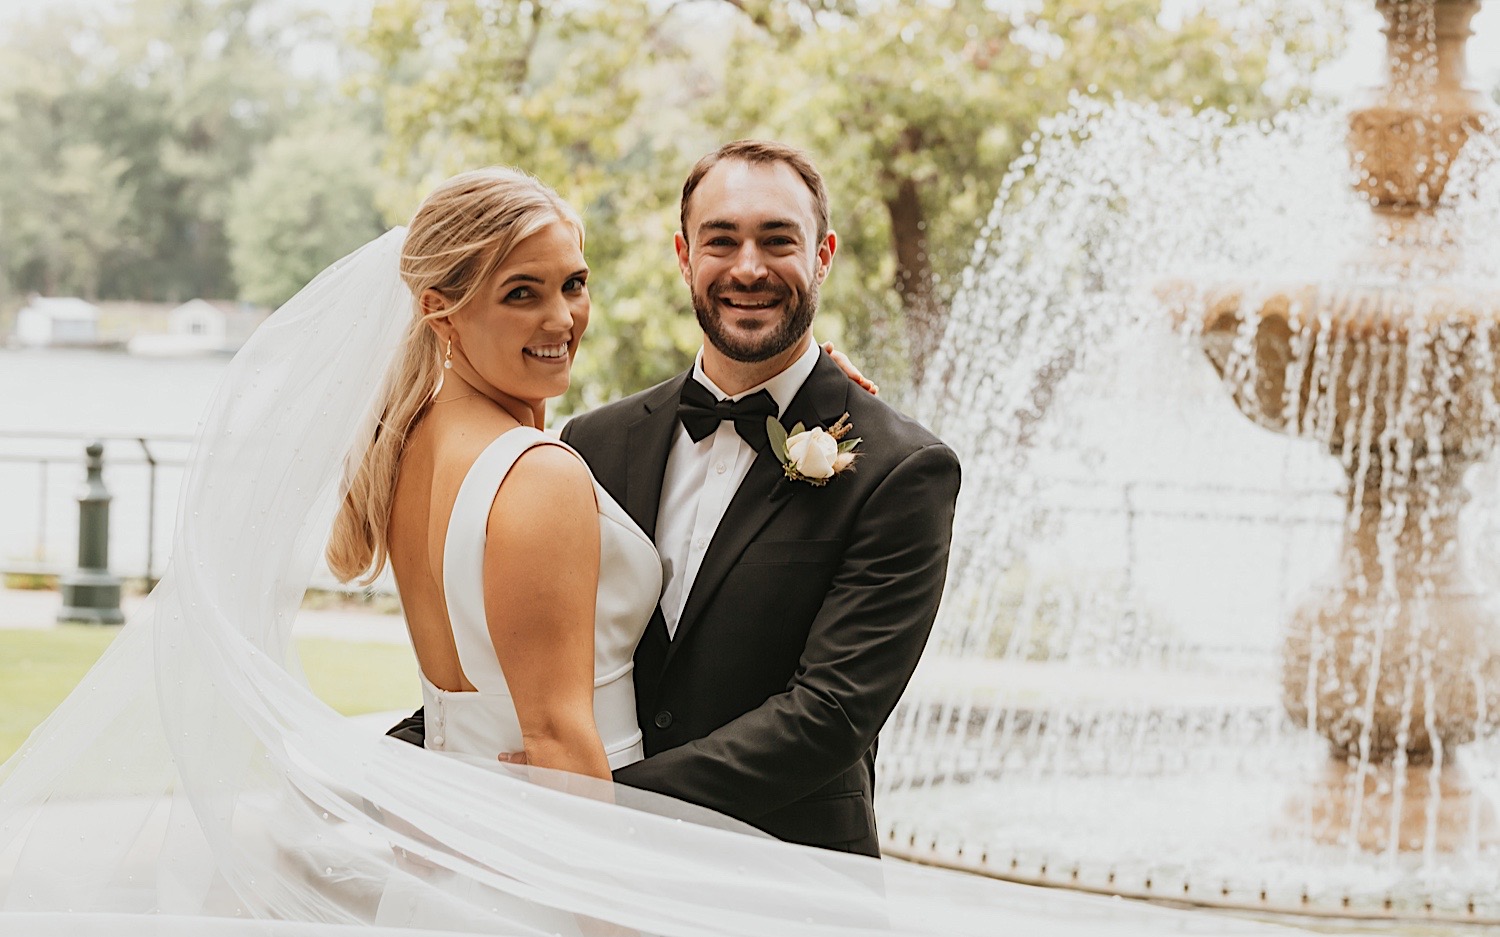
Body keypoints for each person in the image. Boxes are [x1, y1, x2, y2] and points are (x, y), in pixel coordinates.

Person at [0, 158, 1326, 937]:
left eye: (569, 286)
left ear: (822, 255)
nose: (562, 316)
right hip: (576, 882)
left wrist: (460, 801)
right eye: (525, 290)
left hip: (750, 875)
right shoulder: (581, 449)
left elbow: (824, 717)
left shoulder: (894, 463)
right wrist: (523, 825)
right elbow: (538, 719)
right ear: (683, 254)